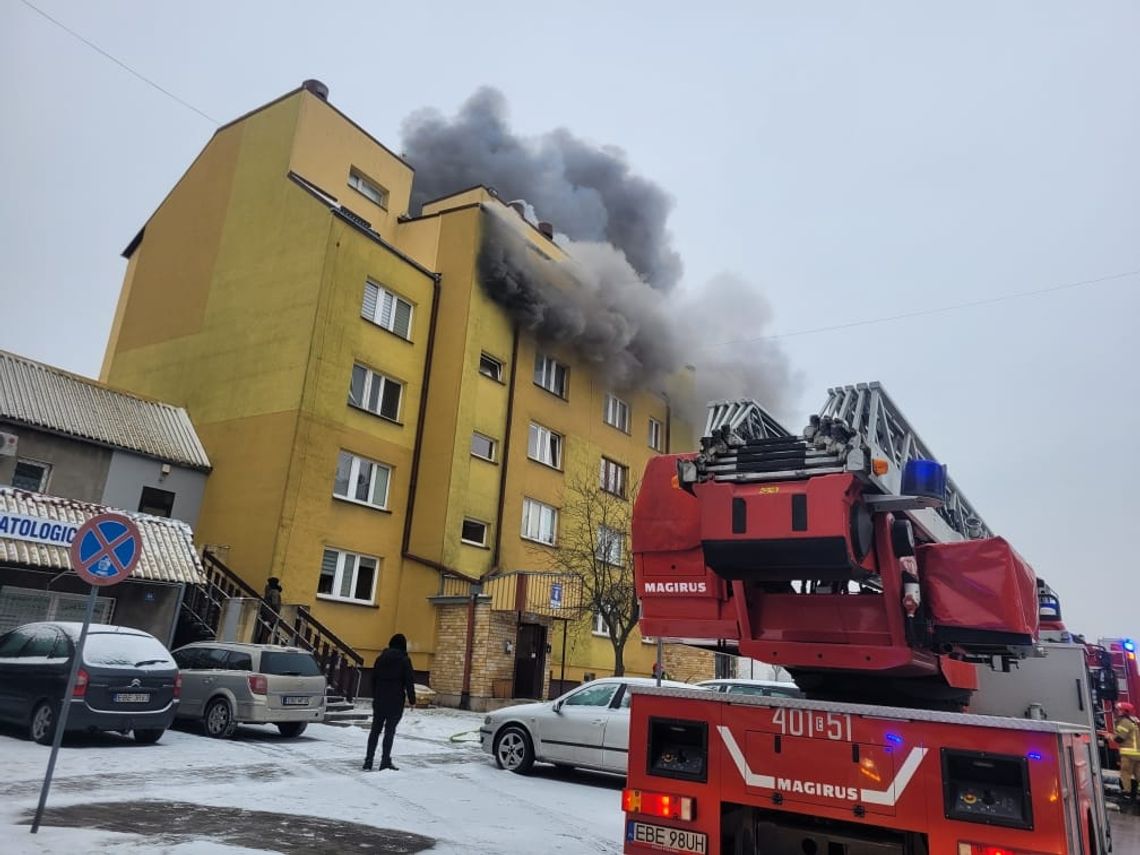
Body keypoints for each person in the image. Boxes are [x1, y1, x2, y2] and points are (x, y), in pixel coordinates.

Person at [363, 633, 417, 771]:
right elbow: (409, 681)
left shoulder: (380, 658)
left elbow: (373, 679)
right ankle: (385, 761)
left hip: (380, 698)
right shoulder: (404, 660)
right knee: (389, 731)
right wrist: (412, 700)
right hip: (395, 700)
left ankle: (368, 761)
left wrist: (375, 695)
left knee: (375, 730)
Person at [1115, 701, 1140, 803]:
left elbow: (1120, 738)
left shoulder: (1124, 722)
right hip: (1137, 753)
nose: (1117, 712)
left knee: (1125, 773)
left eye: (1119, 710)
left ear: (1125, 711)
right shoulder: (1134, 721)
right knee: (1138, 773)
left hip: (1128, 754)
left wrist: (1109, 736)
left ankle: (1126, 793)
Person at [258, 577, 283, 643]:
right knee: (267, 631)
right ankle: (262, 642)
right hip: (271, 615)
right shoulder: (275, 592)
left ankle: (260, 641)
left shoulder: (267, 591)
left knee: (263, 630)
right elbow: (274, 604)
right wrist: (277, 612)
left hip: (265, 614)